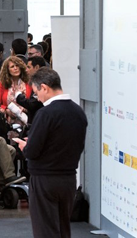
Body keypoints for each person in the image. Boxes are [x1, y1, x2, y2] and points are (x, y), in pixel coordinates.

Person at [14, 68, 88, 238]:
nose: (37, 98)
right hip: (69, 179)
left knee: (45, 230)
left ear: (44, 87)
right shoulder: (78, 112)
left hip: (44, 179)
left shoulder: (46, 113)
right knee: (63, 229)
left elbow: (33, 151)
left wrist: (26, 146)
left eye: (36, 92)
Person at [0, 56, 33, 137]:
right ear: (7, 70)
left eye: (17, 66)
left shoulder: (28, 83)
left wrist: (24, 109)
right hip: (8, 122)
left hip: (25, 121)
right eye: (12, 66)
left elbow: (32, 102)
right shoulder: (3, 84)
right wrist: (7, 110)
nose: (15, 68)